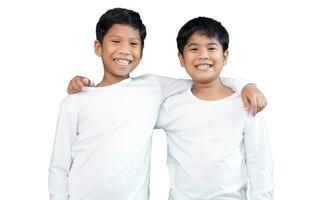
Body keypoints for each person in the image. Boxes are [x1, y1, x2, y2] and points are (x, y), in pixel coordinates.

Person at [50, 8, 267, 200]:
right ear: (98, 47)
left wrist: (246, 85)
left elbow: (204, 79)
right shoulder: (75, 101)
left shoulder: (151, 87)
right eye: (115, 41)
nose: (125, 50)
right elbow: (59, 167)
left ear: (142, 51)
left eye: (134, 43)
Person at [155, 17, 273, 200]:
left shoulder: (247, 103)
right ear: (181, 58)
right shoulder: (171, 105)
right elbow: (133, 112)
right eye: (194, 49)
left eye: (211, 48)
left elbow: (260, 164)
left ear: (225, 56)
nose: (203, 55)